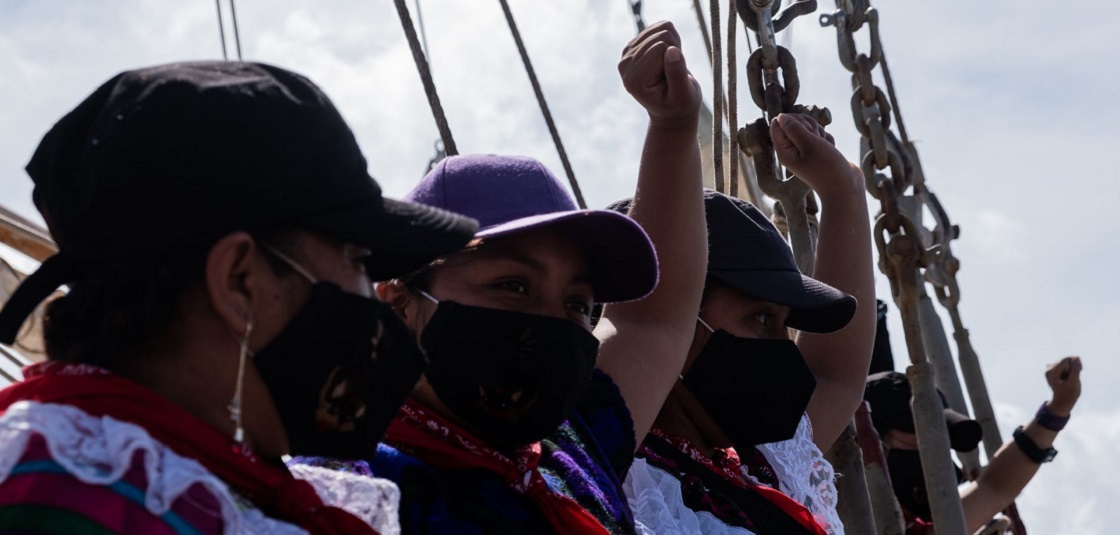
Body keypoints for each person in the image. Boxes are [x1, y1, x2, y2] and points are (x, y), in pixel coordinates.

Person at [0, 61, 478, 534]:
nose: (375, 299)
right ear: (240, 282)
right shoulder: (71, 502)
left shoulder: (169, 486)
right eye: (357, 262)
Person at [293, 20, 706, 535]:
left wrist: (673, 126)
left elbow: (653, 320)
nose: (555, 324)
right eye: (514, 286)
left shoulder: (573, 444)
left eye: (578, 303)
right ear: (399, 305)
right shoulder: (343, 490)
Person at [619, 113, 876, 535]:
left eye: (783, 323)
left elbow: (835, 375)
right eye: (761, 319)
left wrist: (843, 189)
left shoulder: (763, 462)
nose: (781, 347)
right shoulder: (614, 472)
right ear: (675, 316)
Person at [864, 357, 1083, 534]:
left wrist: (1058, 409)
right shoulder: (834, 517)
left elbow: (995, 487)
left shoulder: (920, 531)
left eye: (941, 444)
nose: (934, 454)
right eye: (920, 439)